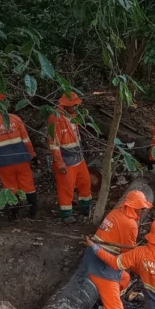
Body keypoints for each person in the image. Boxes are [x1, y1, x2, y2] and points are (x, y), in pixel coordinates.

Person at [82, 190, 152, 309]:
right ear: (133, 208)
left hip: (95, 257)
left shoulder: (116, 213)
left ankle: (103, 300)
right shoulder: (129, 224)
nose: (144, 211)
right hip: (102, 266)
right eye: (141, 208)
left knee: (125, 277)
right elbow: (128, 254)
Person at [0, 93, 38, 218]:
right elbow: (26, 140)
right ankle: (33, 212)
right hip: (21, 158)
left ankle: (14, 214)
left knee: (9, 186)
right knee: (27, 184)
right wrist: (32, 154)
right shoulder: (15, 118)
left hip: (4, 161)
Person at [47, 92, 91, 223]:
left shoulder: (72, 116)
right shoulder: (56, 119)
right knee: (66, 187)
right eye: (73, 104)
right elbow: (54, 144)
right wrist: (60, 163)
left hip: (78, 156)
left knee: (85, 182)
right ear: (65, 105)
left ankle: (85, 207)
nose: (76, 107)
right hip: (66, 160)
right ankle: (66, 214)